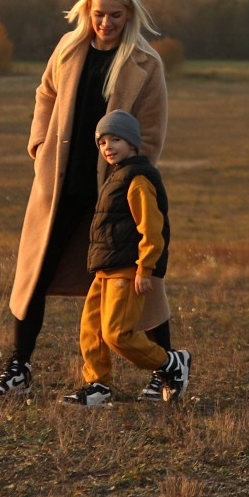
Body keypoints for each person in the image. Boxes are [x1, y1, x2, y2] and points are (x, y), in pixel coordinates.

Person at [0, 0, 173, 397]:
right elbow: (45, 95)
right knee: (35, 273)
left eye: (116, 16)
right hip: (60, 186)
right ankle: (18, 367)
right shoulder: (68, 48)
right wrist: (38, 145)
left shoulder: (146, 62)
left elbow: (153, 130)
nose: (105, 23)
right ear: (87, 10)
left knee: (141, 281)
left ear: (130, 16)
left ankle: (166, 368)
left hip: (117, 191)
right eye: (99, 13)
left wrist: (134, 177)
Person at [64, 110, 192, 406]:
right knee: (91, 330)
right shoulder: (115, 177)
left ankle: (171, 362)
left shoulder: (138, 180)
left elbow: (151, 227)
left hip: (126, 269)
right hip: (104, 270)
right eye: (102, 142)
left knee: (117, 334)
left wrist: (145, 268)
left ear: (133, 143)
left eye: (116, 139)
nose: (108, 146)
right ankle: (98, 384)